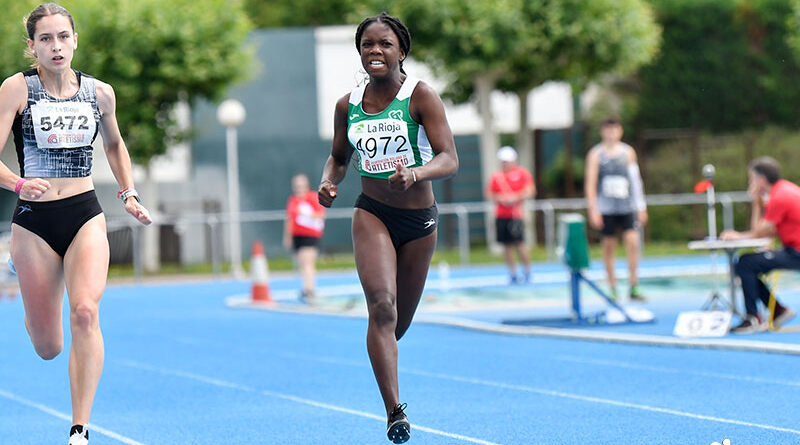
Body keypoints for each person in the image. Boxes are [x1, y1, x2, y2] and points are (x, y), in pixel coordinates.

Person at [0, 4, 152, 444]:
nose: (56, 46)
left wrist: (129, 193)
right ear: (32, 47)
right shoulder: (17, 89)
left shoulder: (100, 93)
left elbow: (116, 145)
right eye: (45, 39)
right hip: (34, 221)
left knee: (85, 312)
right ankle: (32, 308)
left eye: (63, 36)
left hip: (85, 212)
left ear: (75, 40)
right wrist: (17, 183)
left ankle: (79, 429)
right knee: (48, 347)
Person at [318, 12, 458, 444]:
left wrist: (416, 174)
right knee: (381, 307)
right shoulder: (348, 104)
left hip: (419, 220)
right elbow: (340, 157)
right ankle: (395, 412)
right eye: (367, 45)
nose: (375, 52)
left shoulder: (421, 97)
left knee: (397, 325)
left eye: (384, 44)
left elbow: (449, 158)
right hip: (372, 211)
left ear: (402, 51)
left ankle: (384, 352)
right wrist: (329, 181)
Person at [721, 157, 798, 334]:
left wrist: (756, 203)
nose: (751, 183)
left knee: (745, 263)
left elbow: (759, 232)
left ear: (761, 179)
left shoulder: (779, 196)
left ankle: (753, 318)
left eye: (751, 179)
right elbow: (769, 232)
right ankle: (778, 310)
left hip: (796, 252)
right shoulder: (786, 189)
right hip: (793, 249)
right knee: (750, 263)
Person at [584, 118, 648, 301]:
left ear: (620, 131)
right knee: (609, 248)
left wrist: (641, 207)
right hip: (606, 208)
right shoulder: (596, 154)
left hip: (626, 206)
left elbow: (635, 181)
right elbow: (591, 183)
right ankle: (612, 287)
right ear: (602, 132)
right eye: (608, 129)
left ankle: (633, 285)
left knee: (633, 243)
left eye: (615, 129)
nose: (611, 133)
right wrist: (593, 209)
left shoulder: (628, 152)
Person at [486, 146, 535, 284]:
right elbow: (490, 193)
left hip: (516, 214)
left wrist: (515, 197)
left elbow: (530, 190)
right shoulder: (497, 176)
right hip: (502, 214)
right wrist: (502, 198)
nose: (505, 163)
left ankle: (527, 271)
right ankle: (513, 273)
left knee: (520, 243)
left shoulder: (522, 173)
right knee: (506, 245)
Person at [283, 173, 326, 302]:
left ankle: (309, 289)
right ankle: (306, 287)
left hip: (310, 235)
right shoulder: (293, 200)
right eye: (296, 186)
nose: (299, 188)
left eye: (301, 185)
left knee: (307, 261)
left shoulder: (312, 197)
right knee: (301, 263)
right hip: (297, 235)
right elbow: (289, 219)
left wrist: (307, 214)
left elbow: (320, 214)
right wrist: (287, 237)